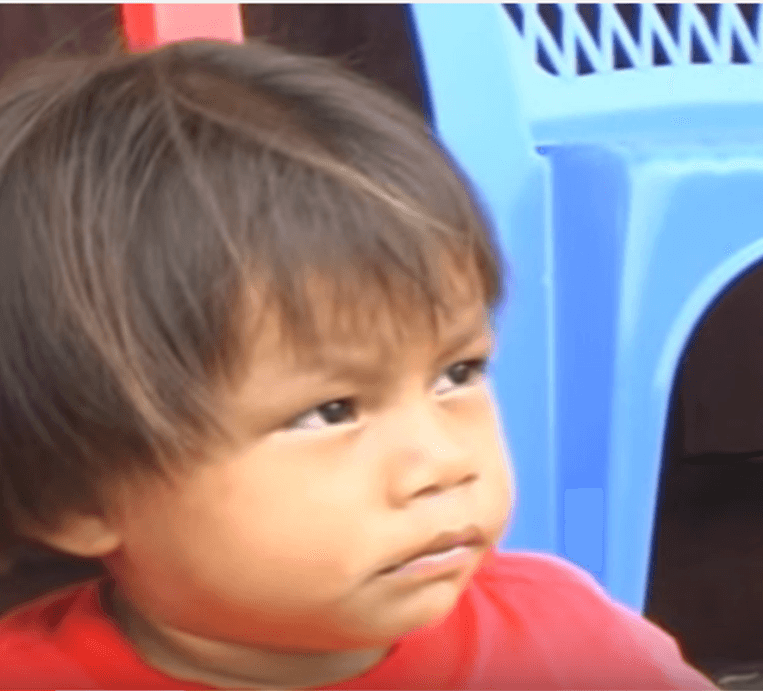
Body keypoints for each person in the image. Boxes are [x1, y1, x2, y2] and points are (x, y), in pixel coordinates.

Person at [0, 37, 715, 690]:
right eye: (330, 411)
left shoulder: (572, 645)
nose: (441, 463)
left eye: (457, 374)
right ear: (75, 497)